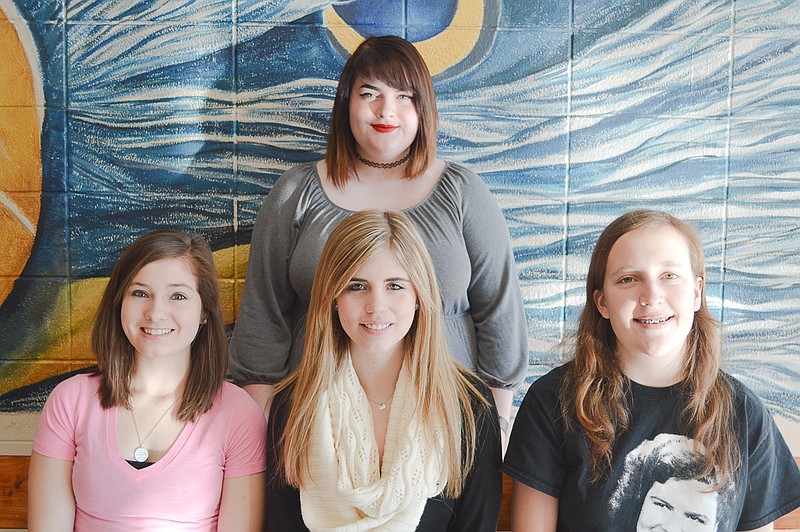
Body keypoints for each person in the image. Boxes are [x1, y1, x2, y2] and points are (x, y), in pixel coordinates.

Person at [229, 35, 527, 434]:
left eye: (405, 96)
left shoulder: (462, 191)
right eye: (370, 93)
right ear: (345, 102)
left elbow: (499, 312)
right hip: (318, 424)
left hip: (443, 423)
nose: (387, 110)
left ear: (424, 109)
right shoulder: (295, 193)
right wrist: (259, 432)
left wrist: (495, 427)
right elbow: (263, 318)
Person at [502, 209, 800, 531]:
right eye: (628, 279)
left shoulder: (745, 414)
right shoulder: (552, 402)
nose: (651, 296)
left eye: (669, 276)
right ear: (602, 302)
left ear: (697, 292)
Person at [266, 210, 503, 531]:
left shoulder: (470, 406)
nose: (376, 306)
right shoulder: (292, 407)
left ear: (419, 295)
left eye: (395, 286)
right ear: (332, 297)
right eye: (356, 286)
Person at [28, 230, 266, 531]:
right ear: (119, 303)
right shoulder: (70, 400)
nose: (155, 312)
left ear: (204, 310)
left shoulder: (238, 412)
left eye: (177, 296)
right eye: (140, 293)